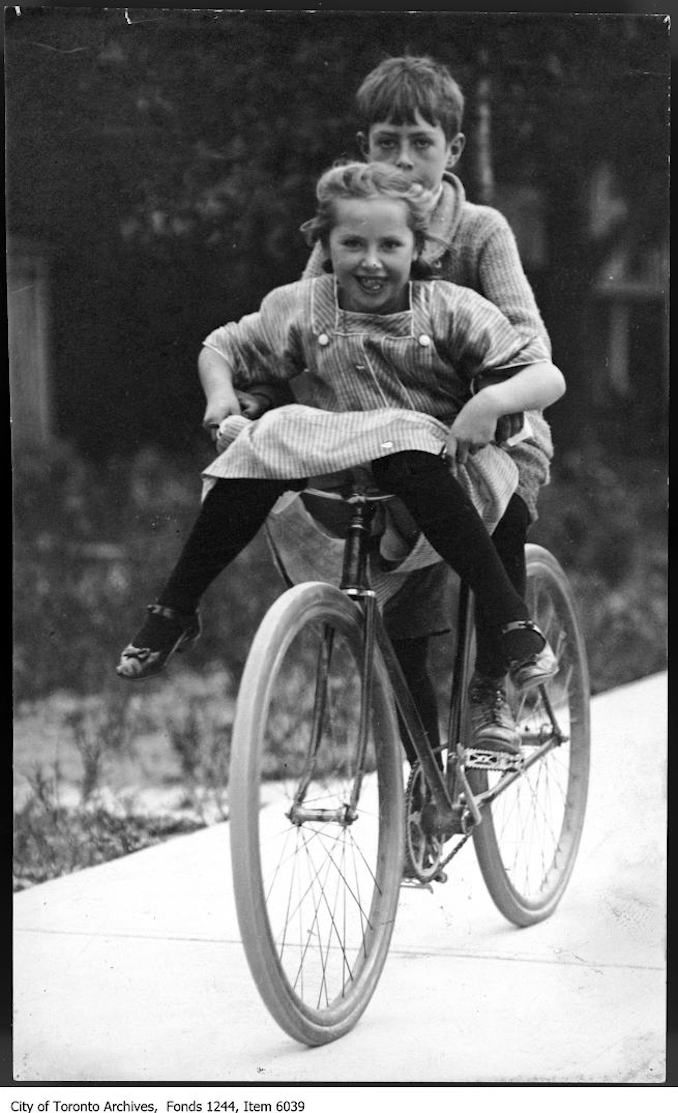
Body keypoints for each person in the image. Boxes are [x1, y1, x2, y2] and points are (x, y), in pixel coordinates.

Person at [117, 161, 564, 757]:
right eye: (352, 243)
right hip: (357, 493)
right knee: (263, 443)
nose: (370, 261)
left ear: (419, 247)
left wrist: (492, 400)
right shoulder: (302, 306)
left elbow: (545, 375)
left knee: (402, 446)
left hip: (446, 484)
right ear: (324, 245)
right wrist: (222, 395)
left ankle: (510, 620)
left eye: (389, 245)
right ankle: (176, 606)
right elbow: (222, 345)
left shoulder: (450, 308)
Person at [242, 54, 556, 757]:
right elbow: (296, 333)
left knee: (495, 504)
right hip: (388, 443)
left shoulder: (481, 231)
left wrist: (487, 403)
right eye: (387, 143)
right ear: (365, 149)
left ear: (453, 150)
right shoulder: (349, 231)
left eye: (421, 143)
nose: (405, 160)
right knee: (395, 613)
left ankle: (493, 685)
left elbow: (530, 346)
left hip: (492, 430)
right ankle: (423, 784)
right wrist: (252, 396)